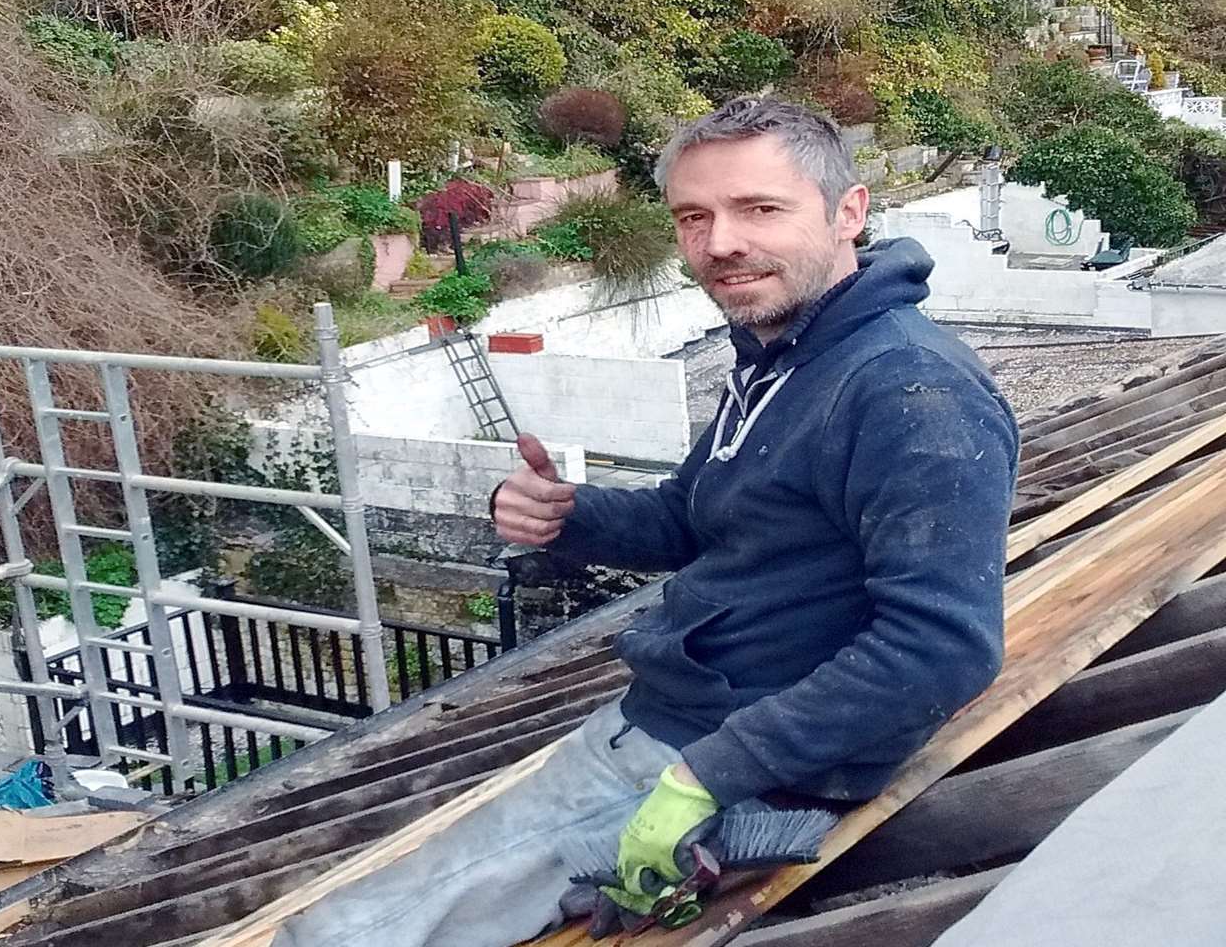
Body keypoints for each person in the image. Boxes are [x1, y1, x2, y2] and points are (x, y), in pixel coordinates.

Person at [274, 98, 1018, 947]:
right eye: (694, 217)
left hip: (725, 761)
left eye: (760, 209)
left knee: (335, 937)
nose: (722, 241)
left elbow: (941, 648)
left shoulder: (908, 391)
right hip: (666, 725)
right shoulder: (786, 354)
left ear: (849, 213)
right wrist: (565, 516)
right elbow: (694, 518)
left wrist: (706, 780)